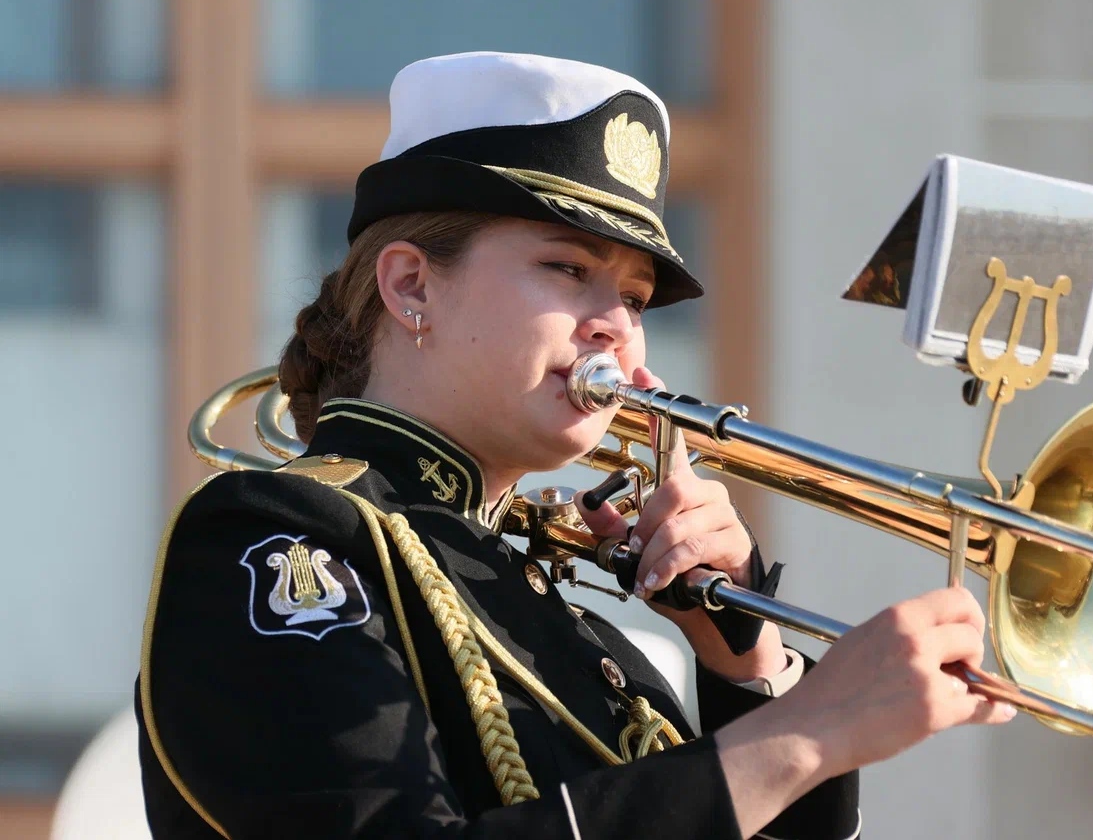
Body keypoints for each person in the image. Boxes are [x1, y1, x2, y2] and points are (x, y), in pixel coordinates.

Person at [135, 51, 1016, 840]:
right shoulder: (276, 535)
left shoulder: (568, 616)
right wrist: (809, 728)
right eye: (567, 268)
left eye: (635, 298)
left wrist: (746, 664)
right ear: (410, 286)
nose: (616, 330)